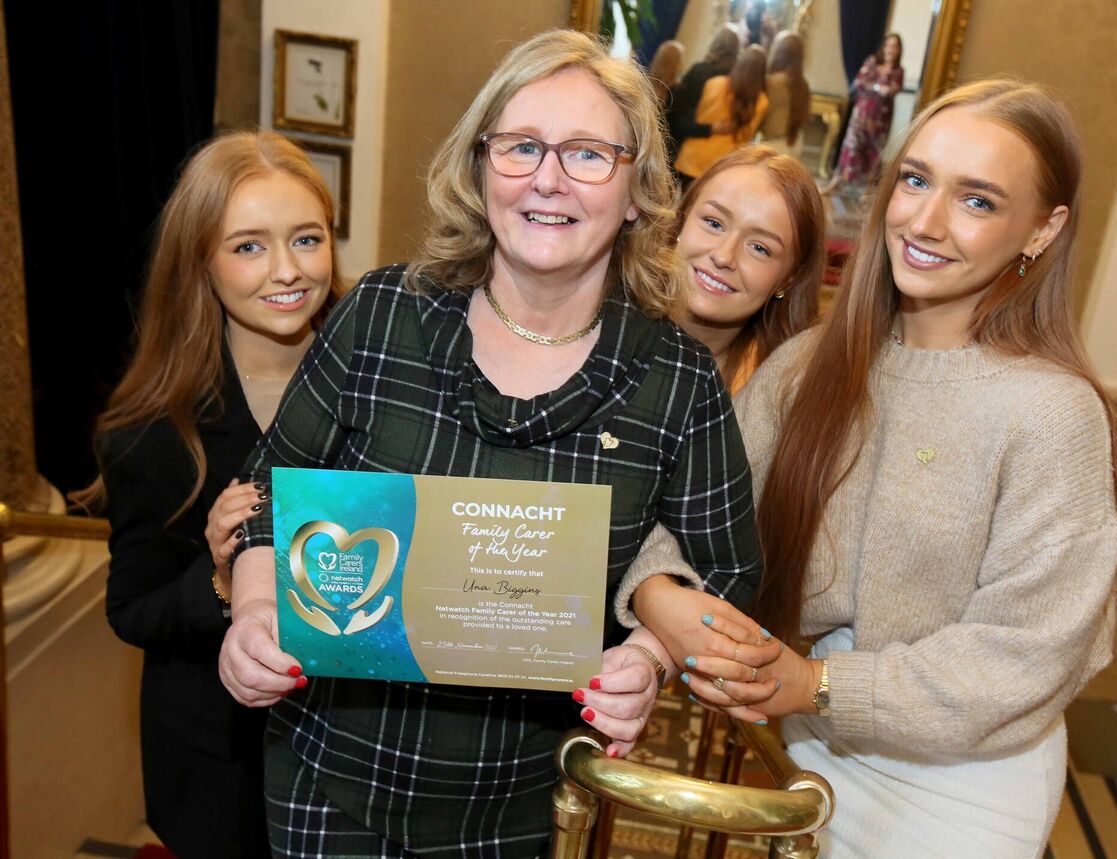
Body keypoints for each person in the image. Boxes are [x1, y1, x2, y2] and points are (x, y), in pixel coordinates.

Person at [217, 29, 762, 857]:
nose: (547, 177)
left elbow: (730, 573)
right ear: (479, 170)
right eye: (520, 147)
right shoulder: (382, 315)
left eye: (587, 153)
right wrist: (255, 612)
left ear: (640, 188)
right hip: (327, 779)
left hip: (521, 812)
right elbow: (269, 488)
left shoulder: (677, 381)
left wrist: (648, 660)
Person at [619, 79, 1117, 857]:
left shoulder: (1050, 411)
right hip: (808, 749)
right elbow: (691, 506)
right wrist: (655, 591)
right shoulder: (808, 366)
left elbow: (1025, 653)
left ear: (1042, 229)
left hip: (963, 786)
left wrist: (819, 684)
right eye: (916, 179)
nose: (926, 221)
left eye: (977, 201)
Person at [75, 131, 347, 858]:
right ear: (202, 262)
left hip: (362, 752)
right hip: (222, 770)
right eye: (249, 246)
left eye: (307, 238)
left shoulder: (387, 391)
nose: (286, 270)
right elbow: (132, 609)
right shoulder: (149, 432)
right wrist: (220, 580)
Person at [672, 144, 825, 393]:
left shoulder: (779, 395)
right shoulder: (599, 324)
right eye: (714, 223)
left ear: (788, 278)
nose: (723, 256)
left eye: (759, 248)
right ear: (682, 220)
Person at [674, 44, 769, 188]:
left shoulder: (713, 84)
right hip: (722, 164)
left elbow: (699, 116)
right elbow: (748, 135)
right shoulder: (761, 101)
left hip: (692, 156)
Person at [826, 32, 904, 193]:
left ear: (899, 50)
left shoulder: (898, 70)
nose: (891, 49)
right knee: (851, 146)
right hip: (861, 114)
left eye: (894, 46)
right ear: (883, 47)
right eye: (888, 45)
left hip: (881, 120)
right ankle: (837, 181)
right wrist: (878, 88)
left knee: (875, 152)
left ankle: (867, 191)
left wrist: (882, 89)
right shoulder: (872, 62)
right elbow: (860, 82)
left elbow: (893, 90)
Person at [664, 25, 741, 165]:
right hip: (719, 153)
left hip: (687, 149)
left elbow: (681, 118)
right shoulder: (737, 82)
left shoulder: (699, 71)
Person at [759, 31, 811, 160]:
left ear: (779, 52)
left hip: (772, 146)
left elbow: (759, 116)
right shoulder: (802, 84)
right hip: (795, 143)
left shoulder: (771, 82)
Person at [647, 39, 684, 105]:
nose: (682, 63)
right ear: (675, 64)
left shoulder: (645, 85)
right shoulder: (678, 92)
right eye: (680, 59)